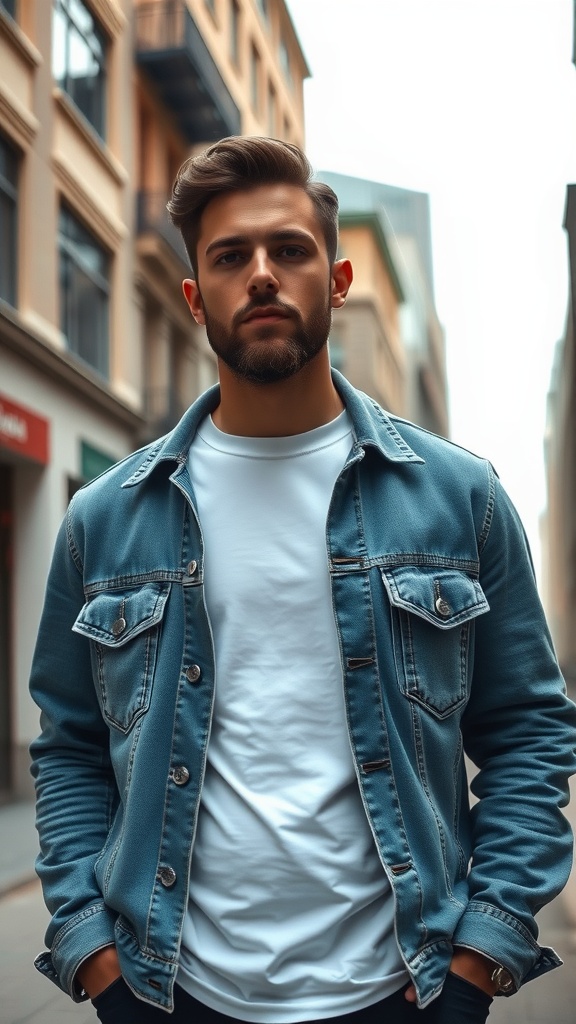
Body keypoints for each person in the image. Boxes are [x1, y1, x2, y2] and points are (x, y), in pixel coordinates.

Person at [30, 136, 576, 1024]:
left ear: (340, 277)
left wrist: (483, 956)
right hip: (171, 993)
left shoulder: (458, 497)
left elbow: (529, 733)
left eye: (290, 249)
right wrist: (94, 958)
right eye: (231, 255)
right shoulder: (105, 517)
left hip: (403, 991)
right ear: (195, 296)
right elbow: (69, 749)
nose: (263, 275)